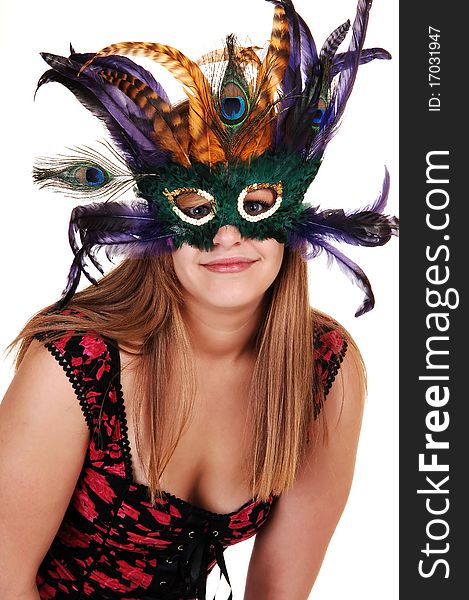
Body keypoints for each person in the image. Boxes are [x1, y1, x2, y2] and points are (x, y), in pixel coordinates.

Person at [0, 0, 398, 598]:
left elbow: (280, 591)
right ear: (159, 227)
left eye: (256, 204)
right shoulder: (75, 367)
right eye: (196, 209)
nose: (226, 236)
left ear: (292, 219)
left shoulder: (323, 367)